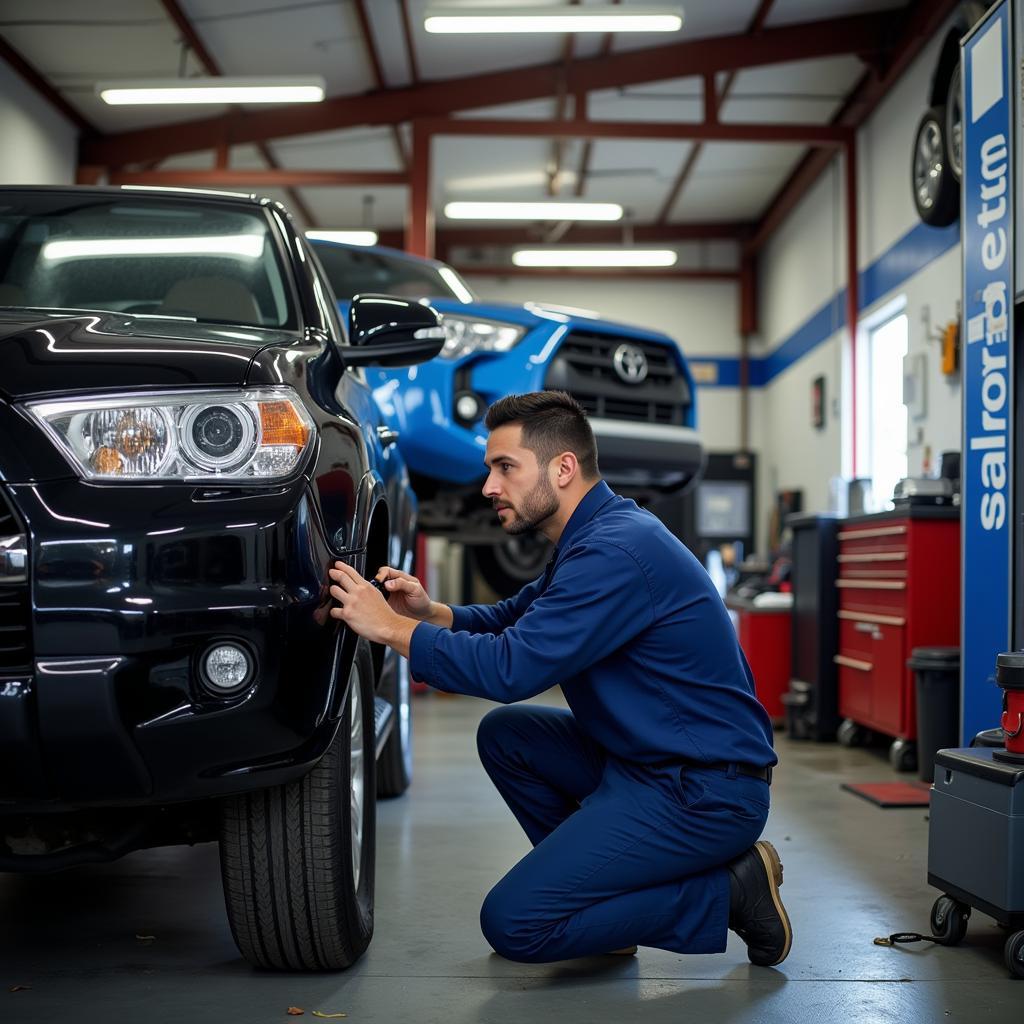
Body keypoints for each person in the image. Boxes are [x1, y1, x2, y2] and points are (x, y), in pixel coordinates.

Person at [328, 390, 792, 967]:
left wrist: (388, 629)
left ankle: (731, 892)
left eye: (505, 468)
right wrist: (427, 613)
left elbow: (512, 667)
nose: (489, 487)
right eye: (489, 470)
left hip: (703, 791)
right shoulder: (592, 538)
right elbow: (510, 620)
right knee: (508, 736)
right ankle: (602, 912)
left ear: (563, 468)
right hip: (648, 762)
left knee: (515, 923)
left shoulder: (616, 552)